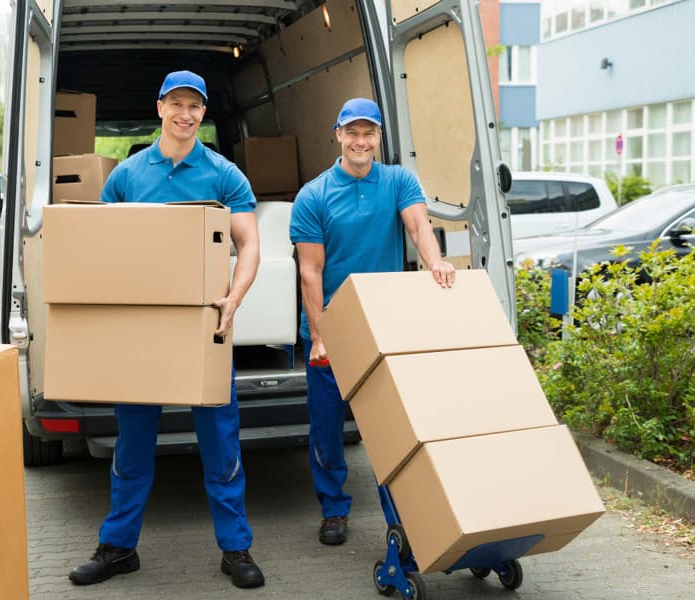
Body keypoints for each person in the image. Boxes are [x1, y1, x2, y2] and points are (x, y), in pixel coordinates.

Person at [68, 71, 265, 589]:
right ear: (159, 107)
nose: (186, 114)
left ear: (203, 113)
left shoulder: (225, 175)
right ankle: (117, 548)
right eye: (176, 103)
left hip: (205, 325)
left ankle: (236, 549)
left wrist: (235, 297)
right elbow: (102, 248)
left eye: (195, 106)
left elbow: (250, 244)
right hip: (145, 331)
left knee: (221, 447)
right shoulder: (127, 177)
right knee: (132, 447)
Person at [289, 98, 456, 546]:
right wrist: (320, 336)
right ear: (338, 134)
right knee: (327, 428)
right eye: (352, 133)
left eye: (369, 134)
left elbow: (419, 227)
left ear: (378, 138)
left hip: (384, 324)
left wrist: (436, 262)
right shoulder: (314, 195)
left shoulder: (398, 180)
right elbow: (311, 271)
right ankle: (333, 510)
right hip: (333, 328)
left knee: (390, 427)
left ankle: (400, 516)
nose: (360, 142)